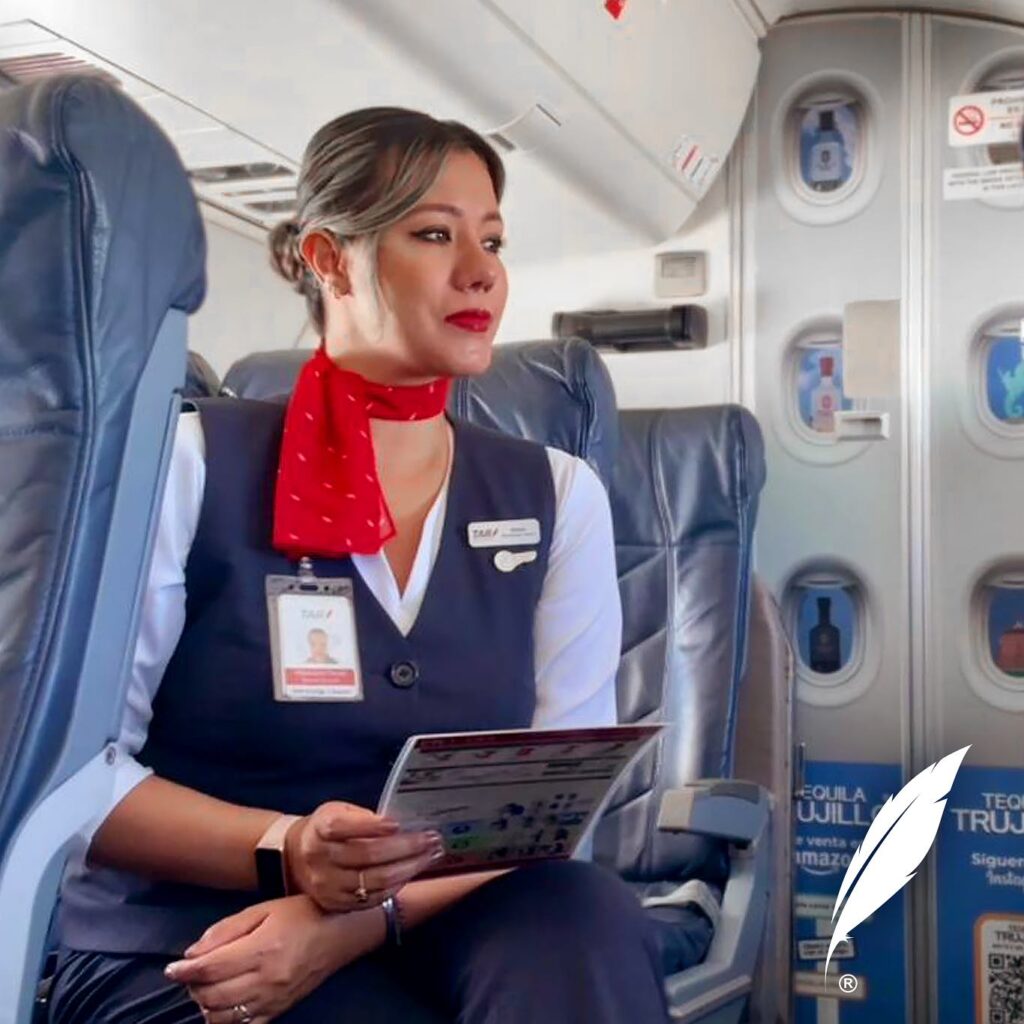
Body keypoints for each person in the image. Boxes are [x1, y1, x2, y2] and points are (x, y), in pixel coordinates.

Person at [48, 107, 669, 1024]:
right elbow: (73, 777)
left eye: (493, 240)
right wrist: (286, 849)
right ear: (330, 259)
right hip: (191, 938)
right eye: (435, 234)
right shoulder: (190, 467)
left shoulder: (556, 493)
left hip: (439, 915)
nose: (481, 271)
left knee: (584, 918)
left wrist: (349, 922)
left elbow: (551, 800)